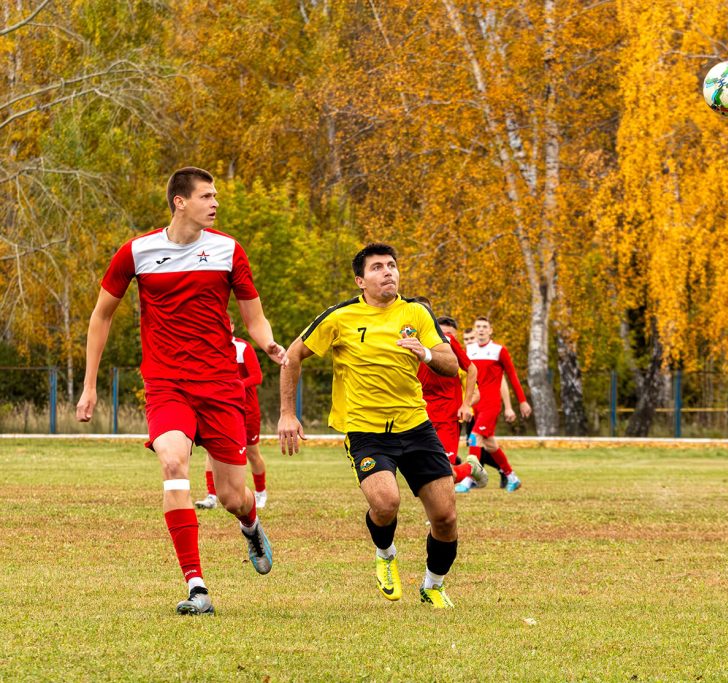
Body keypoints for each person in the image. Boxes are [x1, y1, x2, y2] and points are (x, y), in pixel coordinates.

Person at [76, 167, 285, 615]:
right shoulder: (136, 252)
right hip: (166, 384)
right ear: (180, 202)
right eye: (207, 196)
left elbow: (254, 317)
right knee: (173, 462)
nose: (215, 203)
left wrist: (267, 342)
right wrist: (89, 385)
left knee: (231, 496)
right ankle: (197, 587)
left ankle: (250, 522)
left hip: (220, 386)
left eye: (215, 197)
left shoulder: (229, 250)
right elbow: (101, 316)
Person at [278, 243, 462, 609]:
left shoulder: (416, 313)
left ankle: (433, 585)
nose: (388, 272)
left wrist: (424, 352)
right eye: (377, 267)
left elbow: (451, 363)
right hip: (365, 431)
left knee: (445, 516)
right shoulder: (340, 317)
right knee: (386, 502)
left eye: (392, 265)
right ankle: (386, 553)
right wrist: (287, 412)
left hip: (416, 426)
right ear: (361, 280)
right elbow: (293, 354)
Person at [196, 323, 269, 510]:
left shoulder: (243, 347)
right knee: (211, 451)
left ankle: (261, 493)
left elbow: (257, 377)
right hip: (219, 410)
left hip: (246, 410)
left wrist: (234, 386)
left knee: (252, 454)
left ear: (232, 326)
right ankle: (211, 496)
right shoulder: (206, 348)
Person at [413, 307, 487, 488]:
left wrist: (466, 405)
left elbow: (473, 375)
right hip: (420, 413)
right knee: (423, 471)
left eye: (449, 334)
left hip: (447, 415)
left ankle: (440, 513)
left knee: (442, 474)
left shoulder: (450, 346)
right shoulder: (413, 343)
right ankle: (469, 468)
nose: (446, 337)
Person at [461, 316, 531, 493]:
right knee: (490, 444)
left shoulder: (499, 350)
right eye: (478, 327)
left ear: (490, 330)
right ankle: (512, 477)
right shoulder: (469, 351)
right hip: (476, 404)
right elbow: (463, 378)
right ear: (474, 330)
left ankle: (470, 479)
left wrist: (521, 401)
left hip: (491, 404)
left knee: (474, 438)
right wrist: (464, 403)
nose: (482, 329)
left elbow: (512, 377)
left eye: (485, 326)